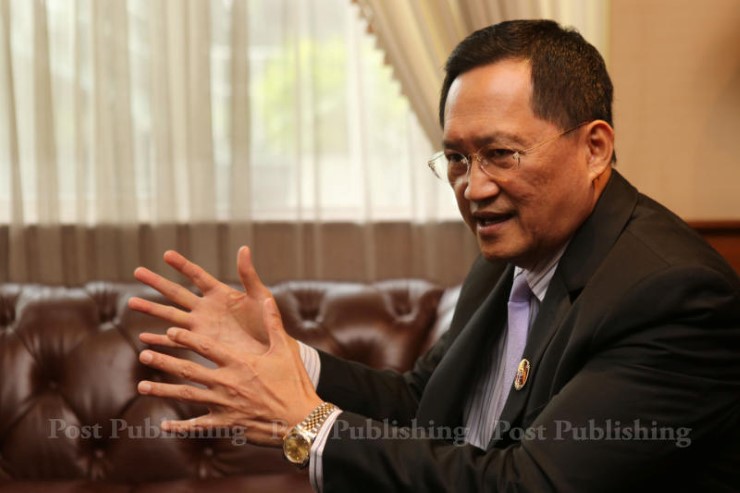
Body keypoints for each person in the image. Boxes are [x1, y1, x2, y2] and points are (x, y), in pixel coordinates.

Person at [128, 19, 740, 492]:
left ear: (595, 148)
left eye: (500, 154)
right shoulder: (510, 254)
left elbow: (528, 485)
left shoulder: (673, 295)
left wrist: (308, 425)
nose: (472, 188)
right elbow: (425, 403)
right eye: (456, 159)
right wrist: (289, 359)